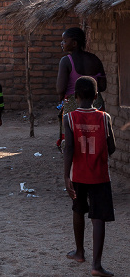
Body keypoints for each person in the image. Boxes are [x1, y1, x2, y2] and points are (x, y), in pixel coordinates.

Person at [63, 76, 116, 277]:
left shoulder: (69, 118)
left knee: (78, 210)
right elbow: (112, 147)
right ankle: (96, 265)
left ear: (75, 96)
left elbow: (68, 148)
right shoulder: (105, 118)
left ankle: (79, 252)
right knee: (98, 218)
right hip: (100, 176)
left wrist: (66, 176)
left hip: (78, 174)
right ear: (96, 96)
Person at [56, 27, 107, 151]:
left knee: (73, 144)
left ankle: (74, 169)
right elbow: (102, 87)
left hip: (74, 106)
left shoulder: (66, 61)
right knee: (94, 143)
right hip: (96, 105)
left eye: (64, 41)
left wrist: (62, 99)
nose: (61, 43)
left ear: (74, 43)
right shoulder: (95, 59)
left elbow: (60, 89)